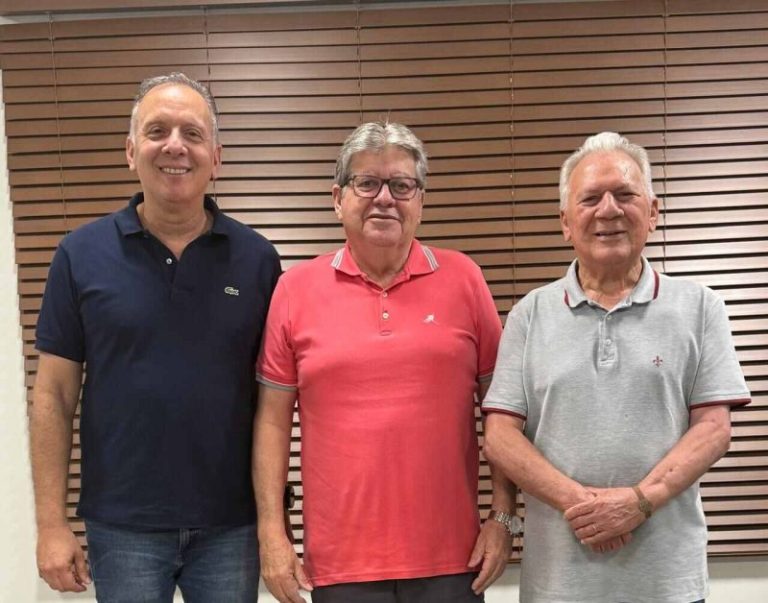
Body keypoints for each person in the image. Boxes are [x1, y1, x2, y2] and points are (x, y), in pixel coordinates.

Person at [30, 72, 281, 601]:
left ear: (216, 157)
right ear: (130, 151)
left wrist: (272, 521)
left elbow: (275, 403)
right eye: (157, 130)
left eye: (192, 133)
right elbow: (53, 395)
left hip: (231, 524)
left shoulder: (258, 260)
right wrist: (51, 523)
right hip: (122, 524)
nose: (174, 146)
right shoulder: (79, 255)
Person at [482, 131, 751, 602]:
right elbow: (501, 435)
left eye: (625, 195)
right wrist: (581, 504)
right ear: (566, 222)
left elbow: (714, 429)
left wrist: (639, 502)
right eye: (590, 199)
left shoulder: (701, 307)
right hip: (557, 586)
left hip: (668, 584)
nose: (608, 210)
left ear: (653, 212)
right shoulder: (529, 314)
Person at [253, 122, 517, 603]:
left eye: (401, 185)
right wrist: (272, 532)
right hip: (340, 567)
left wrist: (503, 516)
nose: (384, 199)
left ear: (421, 200)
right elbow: (272, 423)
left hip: (453, 560)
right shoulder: (294, 290)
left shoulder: (464, 278)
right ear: (338, 199)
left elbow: (502, 411)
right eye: (367, 183)